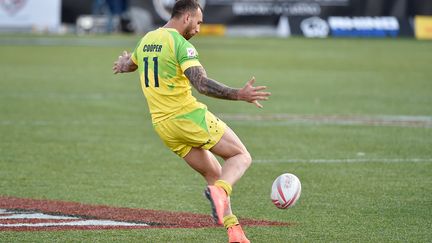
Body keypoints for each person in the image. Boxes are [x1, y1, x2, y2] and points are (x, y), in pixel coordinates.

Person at [112, 0, 270, 242]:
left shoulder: (147, 39)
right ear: (186, 18)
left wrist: (123, 65)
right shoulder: (180, 44)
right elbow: (202, 84)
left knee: (214, 172)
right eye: (198, 23)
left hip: (164, 127)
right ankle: (220, 191)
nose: (198, 29)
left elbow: (131, 63)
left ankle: (234, 231)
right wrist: (239, 94)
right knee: (240, 156)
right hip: (186, 117)